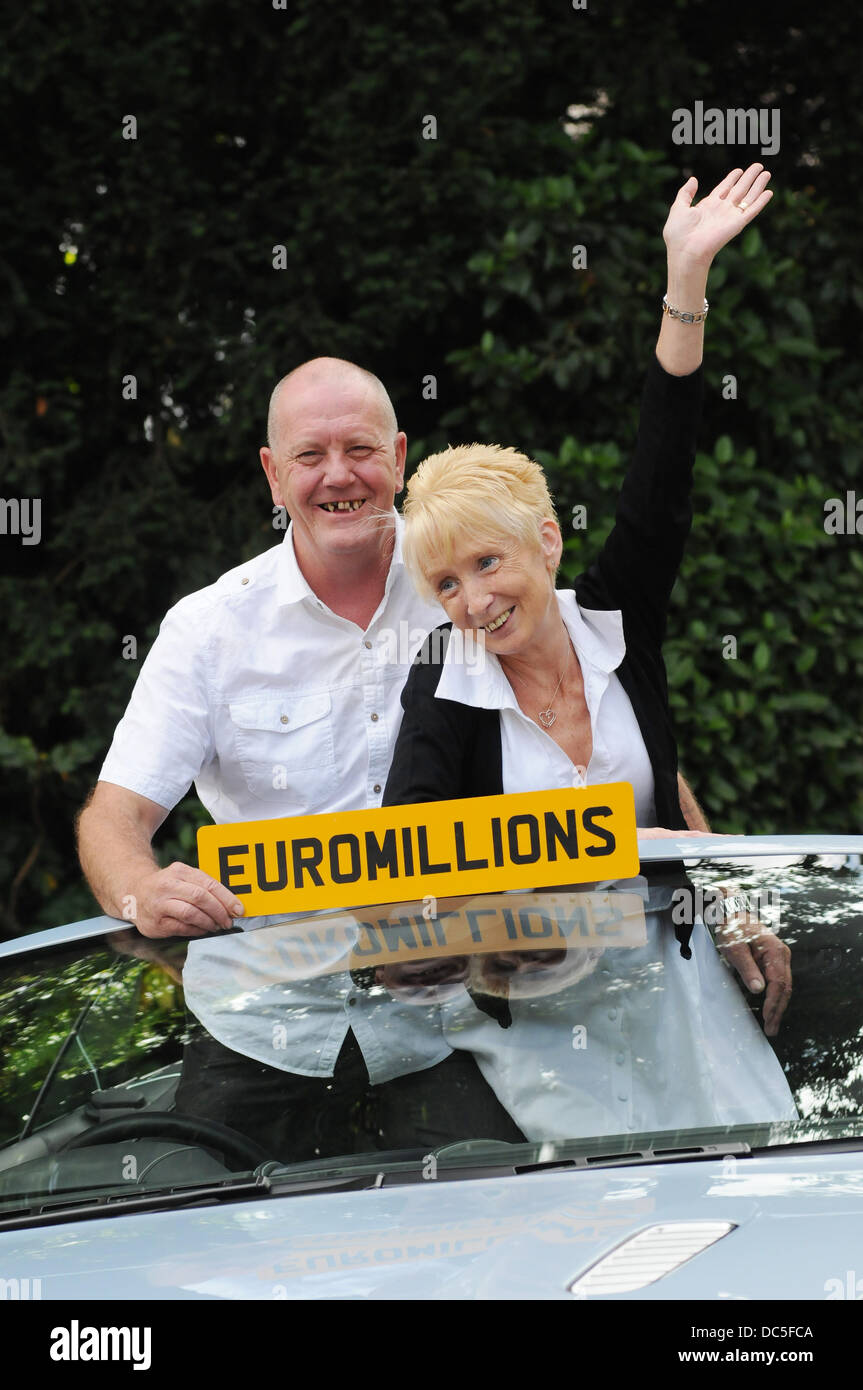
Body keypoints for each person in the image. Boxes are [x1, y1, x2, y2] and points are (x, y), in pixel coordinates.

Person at [383, 162, 791, 1034]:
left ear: (547, 540)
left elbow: (661, 473)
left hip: (678, 990)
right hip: (532, 1015)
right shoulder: (442, 675)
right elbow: (411, 861)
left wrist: (685, 281)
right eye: (446, 582)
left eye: (488, 562)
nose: (472, 601)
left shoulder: (615, 617)